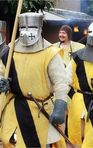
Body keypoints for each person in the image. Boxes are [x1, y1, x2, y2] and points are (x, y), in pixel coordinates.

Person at [0, 12, 69, 147]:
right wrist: (2, 81)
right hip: (16, 107)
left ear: (40, 28)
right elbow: (2, 71)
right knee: (12, 143)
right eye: (24, 27)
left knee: (40, 143)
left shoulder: (50, 52)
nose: (27, 32)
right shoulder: (10, 50)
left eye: (31, 27)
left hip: (41, 109)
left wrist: (60, 106)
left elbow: (61, 82)